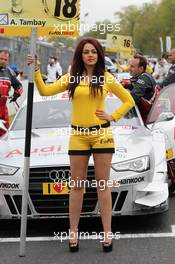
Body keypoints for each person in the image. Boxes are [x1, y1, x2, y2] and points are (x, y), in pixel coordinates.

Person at [28, 37, 135, 252]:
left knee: (102, 185)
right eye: (86, 51)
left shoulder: (106, 77)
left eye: (94, 51)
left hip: (102, 135)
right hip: (78, 135)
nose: (90, 55)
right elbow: (45, 91)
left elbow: (129, 101)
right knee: (76, 186)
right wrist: (37, 70)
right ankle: (73, 233)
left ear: (99, 55)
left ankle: (107, 234)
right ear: (81, 55)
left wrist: (112, 116)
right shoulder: (72, 77)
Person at [127, 54, 157, 123]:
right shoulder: (139, 77)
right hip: (142, 116)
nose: (129, 68)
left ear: (141, 69)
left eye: (132, 67)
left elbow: (133, 97)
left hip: (148, 120)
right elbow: (133, 85)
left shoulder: (145, 78)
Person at [0, 49, 23, 136]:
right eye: (1, 59)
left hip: (3, 110)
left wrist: (16, 95)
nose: (3, 61)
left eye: (5, 60)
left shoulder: (9, 72)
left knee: (5, 136)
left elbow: (19, 86)